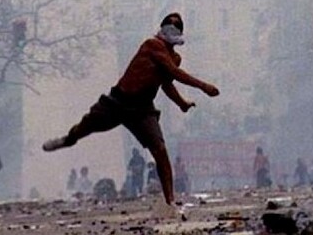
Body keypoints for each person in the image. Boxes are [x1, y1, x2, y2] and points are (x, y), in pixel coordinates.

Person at [41, 12, 220, 210]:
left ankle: (170, 201)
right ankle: (68, 139)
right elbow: (174, 72)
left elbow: (167, 83)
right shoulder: (152, 45)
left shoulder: (174, 57)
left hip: (142, 109)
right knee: (87, 126)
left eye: (175, 26)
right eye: (168, 25)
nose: (171, 29)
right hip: (118, 101)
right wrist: (203, 86)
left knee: (160, 150)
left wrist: (181, 103)